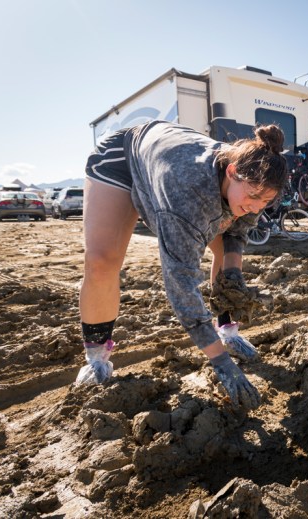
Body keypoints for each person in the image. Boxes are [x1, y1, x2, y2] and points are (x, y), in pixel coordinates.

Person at [76, 120, 288, 411]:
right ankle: (97, 357)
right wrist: (221, 363)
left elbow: (236, 233)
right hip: (124, 156)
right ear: (231, 173)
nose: (256, 206)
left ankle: (228, 328)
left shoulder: (254, 171)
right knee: (102, 260)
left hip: (175, 158)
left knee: (226, 253)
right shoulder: (186, 195)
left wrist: (234, 276)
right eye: (252, 197)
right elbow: (181, 286)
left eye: (265, 201)